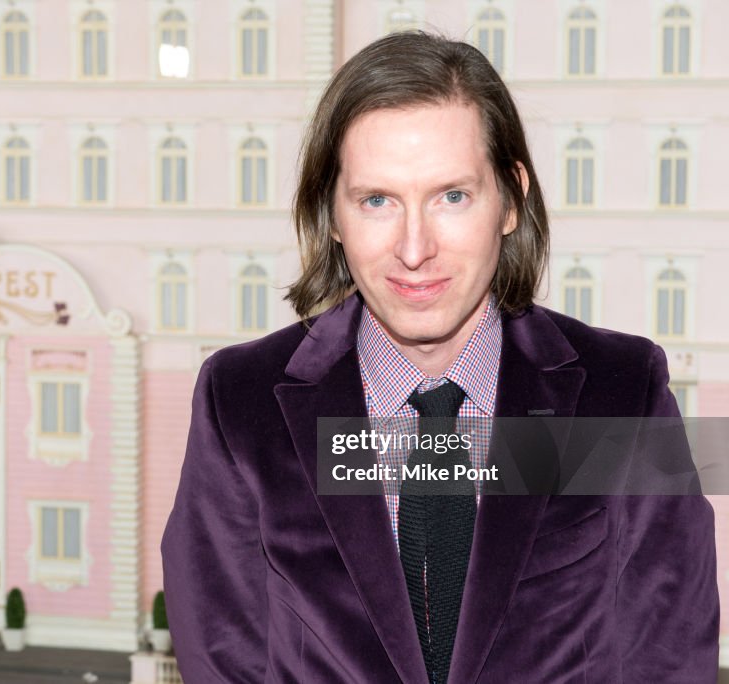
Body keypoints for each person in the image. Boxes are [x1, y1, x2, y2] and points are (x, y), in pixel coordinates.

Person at [161, 32, 718, 683]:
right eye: (377, 201)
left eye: (452, 196)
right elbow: (221, 655)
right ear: (333, 213)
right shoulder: (240, 401)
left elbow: (669, 654)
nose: (415, 248)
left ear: (511, 199)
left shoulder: (623, 391)